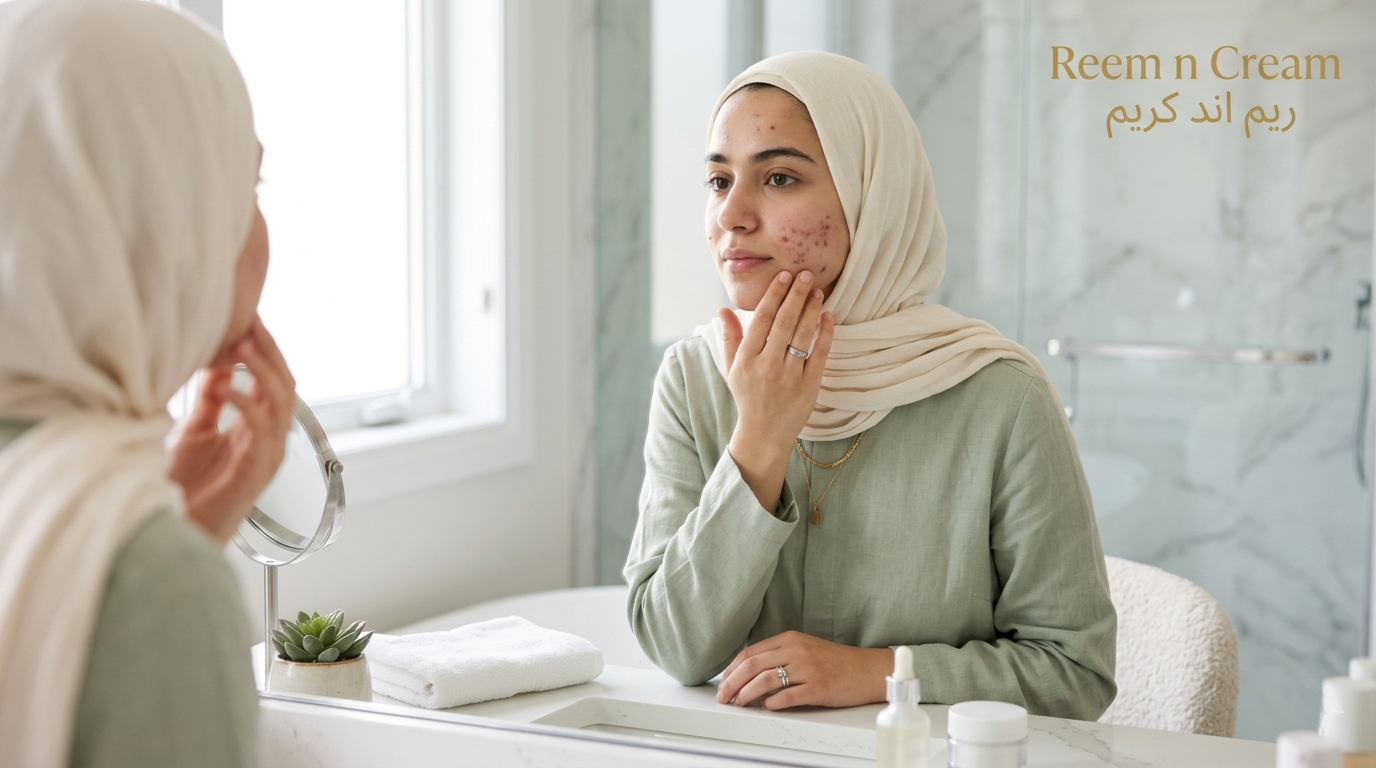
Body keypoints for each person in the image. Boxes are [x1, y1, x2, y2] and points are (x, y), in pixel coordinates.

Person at [624, 51, 1117, 720]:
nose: (732, 215)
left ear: (871, 196)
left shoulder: (1001, 398)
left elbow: (1074, 674)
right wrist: (759, 439)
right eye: (718, 180)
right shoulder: (693, 377)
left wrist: (879, 673)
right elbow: (676, 646)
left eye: (778, 177)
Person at [0, 1, 295, 765]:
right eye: (245, 188)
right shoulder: (153, 588)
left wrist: (190, 527)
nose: (259, 235)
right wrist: (165, 571)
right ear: (158, 216)